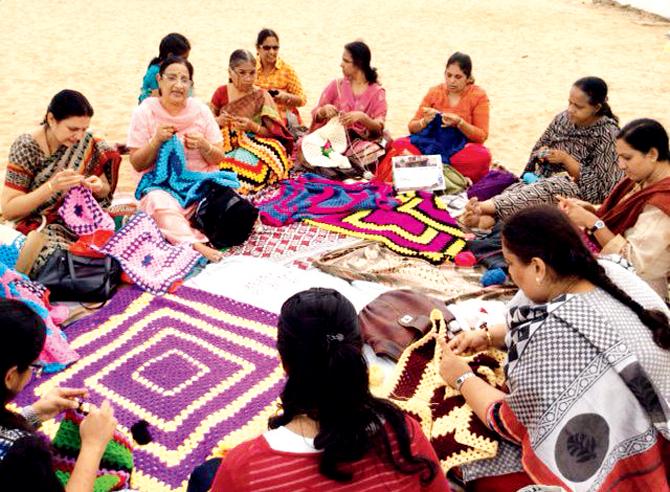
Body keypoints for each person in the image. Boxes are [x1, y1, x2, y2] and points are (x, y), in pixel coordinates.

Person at [441, 205, 670, 491]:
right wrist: (488, 336)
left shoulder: (550, 336)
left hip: (627, 467)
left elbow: (509, 420)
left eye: (511, 264)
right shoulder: (612, 273)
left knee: (465, 451)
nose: (510, 274)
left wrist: (461, 378)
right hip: (661, 438)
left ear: (537, 267)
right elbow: (594, 327)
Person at [211, 288, 449, 491]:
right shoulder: (404, 432)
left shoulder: (246, 468)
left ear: (285, 363)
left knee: (206, 472)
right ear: (357, 352)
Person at [463, 77, 621, 229]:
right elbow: (539, 147)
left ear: (596, 107)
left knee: (556, 186)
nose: (571, 110)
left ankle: (483, 208)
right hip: (541, 179)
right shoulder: (563, 119)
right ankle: (487, 219)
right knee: (519, 191)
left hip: (575, 191)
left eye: (578, 107)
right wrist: (543, 154)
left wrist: (566, 160)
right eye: (570, 103)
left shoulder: (608, 134)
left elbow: (603, 189)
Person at [0, 299, 117, 491]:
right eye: (33, 366)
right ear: (10, 377)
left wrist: (33, 414)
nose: (32, 373)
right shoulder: (24, 454)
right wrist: (93, 445)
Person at [1, 90, 121, 277]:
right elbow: (9, 210)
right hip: (40, 224)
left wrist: (98, 187)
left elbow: (105, 190)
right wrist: (51, 187)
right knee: (60, 262)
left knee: (132, 224)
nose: (79, 136)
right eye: (73, 129)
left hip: (82, 219)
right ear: (51, 119)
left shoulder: (87, 143)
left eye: (84, 129)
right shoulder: (26, 147)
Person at [128, 55, 229, 262]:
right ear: (159, 80)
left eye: (184, 80)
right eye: (172, 78)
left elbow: (219, 158)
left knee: (231, 204)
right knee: (157, 202)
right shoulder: (145, 112)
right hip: (162, 189)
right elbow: (137, 163)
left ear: (191, 85)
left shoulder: (201, 110)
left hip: (199, 187)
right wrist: (156, 141)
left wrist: (203, 145)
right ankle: (196, 246)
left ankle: (180, 229)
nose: (178, 85)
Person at [559, 118, 670, 300]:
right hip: (615, 276)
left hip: (641, 292)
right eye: (619, 157)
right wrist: (591, 210)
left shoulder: (663, 203)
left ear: (652, 154)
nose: (621, 165)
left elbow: (631, 261)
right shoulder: (641, 179)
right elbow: (622, 214)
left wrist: (592, 222)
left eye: (627, 158)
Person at [210, 49, 294, 194]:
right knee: (219, 164)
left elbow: (275, 133)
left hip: (256, 142)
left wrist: (252, 126)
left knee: (266, 156)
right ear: (230, 72)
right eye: (242, 73)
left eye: (252, 73)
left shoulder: (261, 96)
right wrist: (218, 121)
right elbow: (206, 124)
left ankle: (241, 186)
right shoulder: (221, 92)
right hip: (225, 143)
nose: (248, 78)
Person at [306, 41, 387, 177]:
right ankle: (344, 167)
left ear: (359, 64)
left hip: (357, 144)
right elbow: (316, 114)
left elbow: (378, 128)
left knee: (372, 151)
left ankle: (338, 166)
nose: (341, 64)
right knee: (305, 144)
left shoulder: (377, 92)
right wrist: (324, 110)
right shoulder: (336, 85)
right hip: (331, 139)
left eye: (346, 61)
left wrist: (362, 117)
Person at [408, 52, 491, 182]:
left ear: (468, 78)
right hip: (429, 144)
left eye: (458, 77)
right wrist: (424, 121)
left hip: (458, 151)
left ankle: (429, 167)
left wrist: (460, 123)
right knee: (399, 145)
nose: (452, 81)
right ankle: (443, 171)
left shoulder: (478, 96)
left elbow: (481, 136)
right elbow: (412, 127)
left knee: (482, 156)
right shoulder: (434, 92)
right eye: (449, 75)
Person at [255, 28, 307, 128]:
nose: (271, 52)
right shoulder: (251, 69)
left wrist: (286, 97)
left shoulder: (286, 70)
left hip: (283, 121)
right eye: (267, 48)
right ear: (258, 48)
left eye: (275, 48)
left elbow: (302, 99)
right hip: (256, 120)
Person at [138, 33, 191, 104]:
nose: (186, 62)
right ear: (170, 56)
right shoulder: (155, 72)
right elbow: (157, 97)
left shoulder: (175, 70)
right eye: (184, 58)